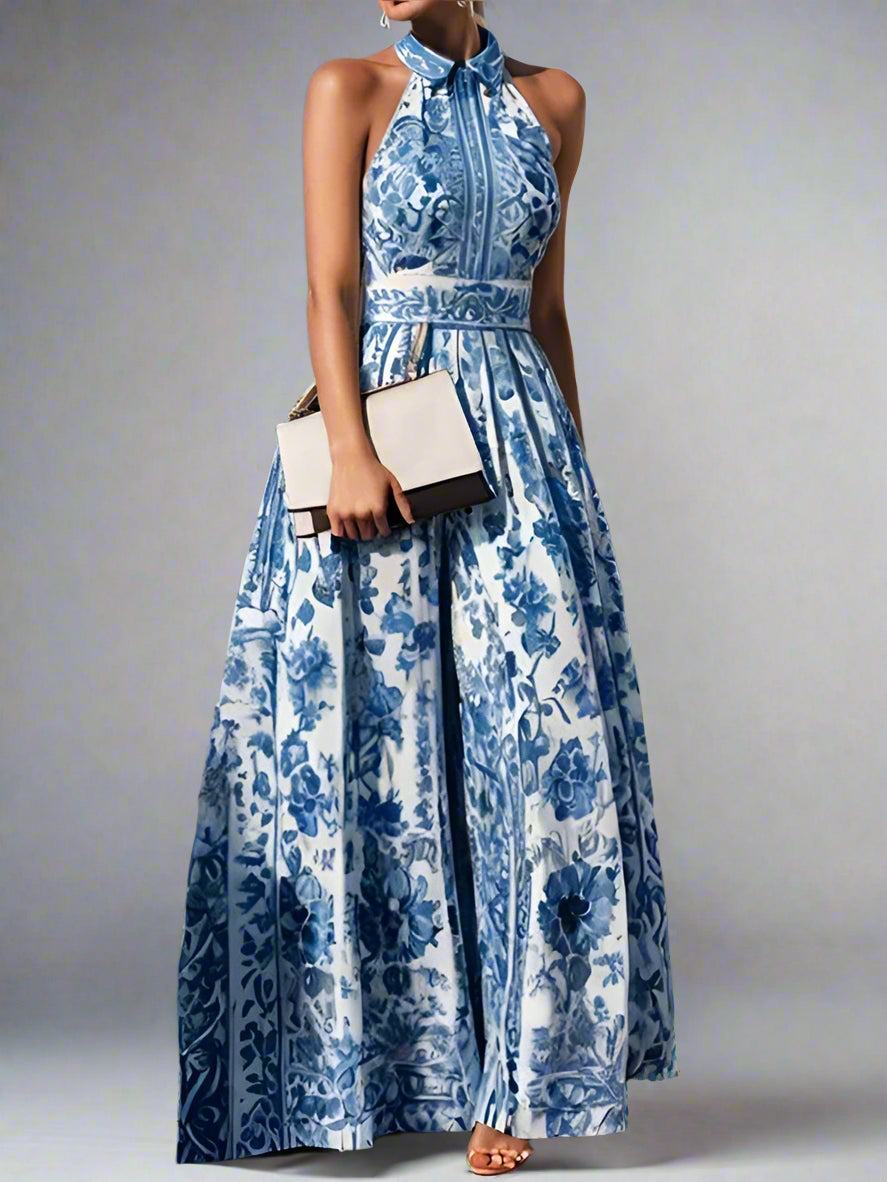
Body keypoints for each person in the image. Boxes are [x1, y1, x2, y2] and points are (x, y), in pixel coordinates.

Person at [175, 1, 678, 1174]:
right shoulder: (344, 87)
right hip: (389, 435)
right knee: (374, 743)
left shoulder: (555, 103)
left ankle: (517, 1083)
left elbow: (548, 312)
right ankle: (351, 1081)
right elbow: (332, 292)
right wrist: (349, 448)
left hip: (518, 447)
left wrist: (575, 478)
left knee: (531, 751)